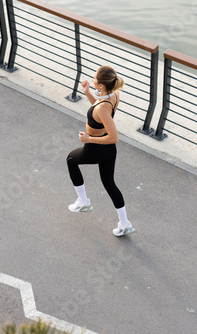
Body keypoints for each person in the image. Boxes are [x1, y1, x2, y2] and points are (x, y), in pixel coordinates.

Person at [66, 65, 135, 237]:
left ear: (102, 85)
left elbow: (114, 136)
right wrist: (88, 91)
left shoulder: (102, 107)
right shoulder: (113, 95)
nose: (93, 79)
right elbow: (99, 111)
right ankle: (124, 223)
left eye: (95, 79)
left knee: (70, 160)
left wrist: (88, 140)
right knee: (109, 183)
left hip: (96, 148)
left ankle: (83, 202)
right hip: (109, 151)